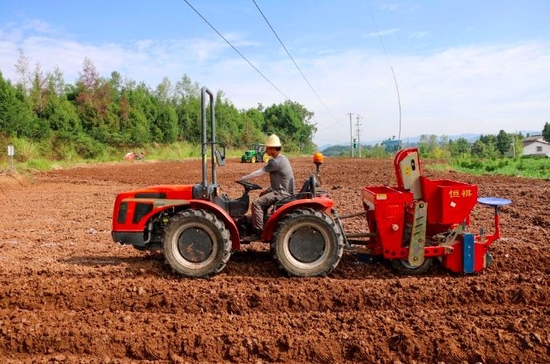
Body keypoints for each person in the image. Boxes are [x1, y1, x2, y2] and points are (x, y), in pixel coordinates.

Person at [238, 134, 294, 241]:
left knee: (256, 204)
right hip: (283, 191)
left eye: (267, 148)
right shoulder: (283, 158)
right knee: (263, 195)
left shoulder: (275, 162)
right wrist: (267, 190)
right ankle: (263, 221)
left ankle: (258, 232)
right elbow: (279, 180)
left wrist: (243, 178)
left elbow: (259, 173)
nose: (266, 150)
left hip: (281, 193)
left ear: (273, 148)